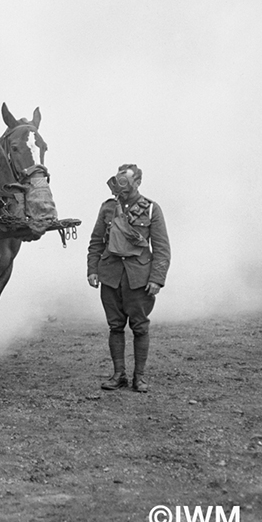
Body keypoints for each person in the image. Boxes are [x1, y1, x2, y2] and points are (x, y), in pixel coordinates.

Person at [86, 164, 171, 392]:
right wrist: (92, 270)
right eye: (119, 180)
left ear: (138, 182)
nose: (122, 186)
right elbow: (96, 241)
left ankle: (139, 377)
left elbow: (162, 248)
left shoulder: (151, 209)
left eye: (127, 181)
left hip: (138, 278)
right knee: (115, 326)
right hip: (111, 276)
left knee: (140, 327)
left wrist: (157, 279)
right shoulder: (108, 208)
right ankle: (118, 374)